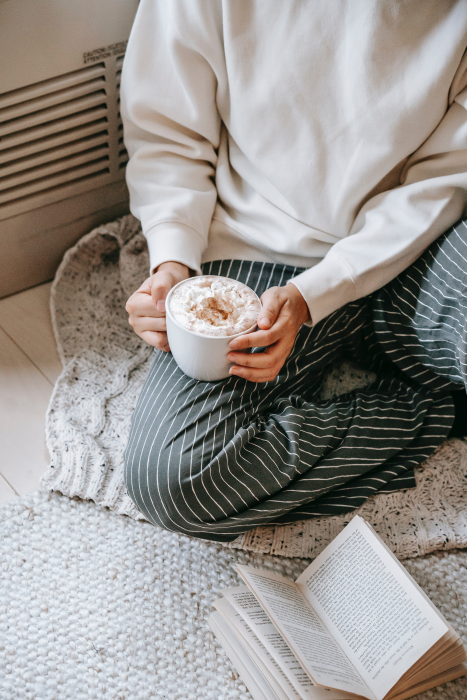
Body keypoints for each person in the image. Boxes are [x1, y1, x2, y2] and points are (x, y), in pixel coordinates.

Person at [120, 0, 467, 542]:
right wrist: (171, 261)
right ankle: (435, 411)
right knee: (175, 478)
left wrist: (322, 291)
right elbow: (168, 134)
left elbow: (444, 179)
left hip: (416, 250)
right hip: (255, 256)